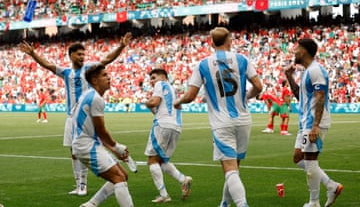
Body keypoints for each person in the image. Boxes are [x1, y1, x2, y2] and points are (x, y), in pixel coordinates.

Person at [19, 32, 132, 196]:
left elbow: (107, 59)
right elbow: (48, 65)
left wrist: (121, 46)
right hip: (71, 118)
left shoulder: (89, 69)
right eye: (79, 54)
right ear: (71, 55)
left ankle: (84, 184)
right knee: (73, 152)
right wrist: (33, 53)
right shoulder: (66, 73)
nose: (82, 57)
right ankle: (79, 184)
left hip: (86, 117)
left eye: (83, 54)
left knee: (84, 149)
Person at [174, 27, 263, 207]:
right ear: (230, 40)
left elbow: (190, 96)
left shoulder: (203, 64)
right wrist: (246, 97)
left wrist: (179, 101)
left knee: (230, 170)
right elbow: (259, 86)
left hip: (222, 123)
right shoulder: (242, 59)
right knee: (234, 169)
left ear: (211, 43)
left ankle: (242, 204)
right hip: (244, 120)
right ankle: (224, 203)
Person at [285, 38, 343, 207]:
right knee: (298, 157)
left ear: (303, 51)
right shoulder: (306, 72)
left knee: (310, 161)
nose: (294, 52)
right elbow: (299, 96)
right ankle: (331, 186)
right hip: (305, 123)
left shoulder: (316, 70)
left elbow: (320, 97)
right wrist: (289, 77)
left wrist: (315, 126)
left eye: (296, 49)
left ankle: (314, 202)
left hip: (314, 123)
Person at [72, 64, 134, 207]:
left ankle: (90, 205)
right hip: (86, 146)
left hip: (87, 143)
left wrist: (114, 149)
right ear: (94, 80)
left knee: (123, 175)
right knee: (119, 178)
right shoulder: (95, 98)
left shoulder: (88, 95)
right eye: (104, 75)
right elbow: (101, 131)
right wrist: (117, 147)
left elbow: (97, 132)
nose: (109, 77)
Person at [144, 68, 192, 203]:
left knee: (152, 160)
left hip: (162, 125)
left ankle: (164, 195)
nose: (151, 81)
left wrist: (146, 102)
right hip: (176, 127)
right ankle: (183, 179)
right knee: (162, 160)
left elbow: (154, 102)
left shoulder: (161, 85)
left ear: (163, 77)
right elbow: (162, 109)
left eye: (153, 77)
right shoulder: (174, 90)